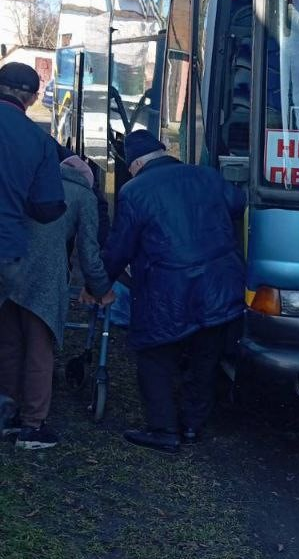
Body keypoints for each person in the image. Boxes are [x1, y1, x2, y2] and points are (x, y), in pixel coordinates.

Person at [98, 129, 246, 453]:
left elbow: (120, 248)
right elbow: (238, 203)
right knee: (205, 359)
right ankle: (193, 427)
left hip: (167, 292)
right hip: (219, 287)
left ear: (135, 163)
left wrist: (99, 283)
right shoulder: (206, 175)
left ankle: (163, 430)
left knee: (154, 358)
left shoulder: (134, 191)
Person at [2, 154, 114, 449]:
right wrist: (101, 288)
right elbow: (89, 253)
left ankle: (8, 416)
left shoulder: (29, 183)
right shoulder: (83, 195)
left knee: (10, 348)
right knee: (40, 352)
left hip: (8, 272)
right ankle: (32, 427)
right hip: (43, 279)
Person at [0, 62, 67, 444]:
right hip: (7, 251)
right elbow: (48, 208)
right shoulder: (38, 141)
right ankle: (17, 417)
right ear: (30, 97)